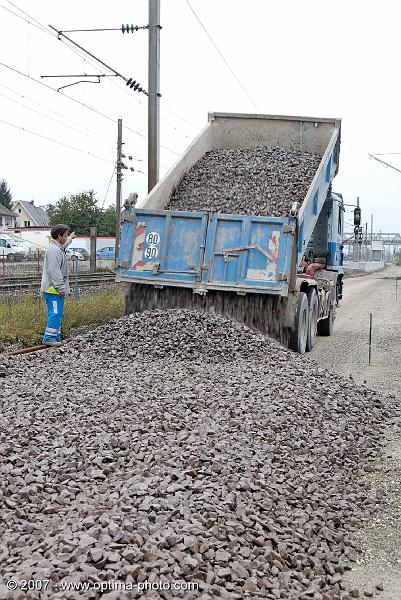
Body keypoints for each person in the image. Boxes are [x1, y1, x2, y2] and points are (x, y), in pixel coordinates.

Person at [41, 224, 75, 346]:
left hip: (54, 289)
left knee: (58, 312)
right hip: (53, 289)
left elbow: (64, 245)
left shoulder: (58, 247)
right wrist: (60, 287)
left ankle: (56, 337)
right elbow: (54, 271)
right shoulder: (54, 250)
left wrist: (71, 238)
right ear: (59, 236)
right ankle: (49, 338)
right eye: (65, 236)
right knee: (55, 312)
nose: (66, 238)